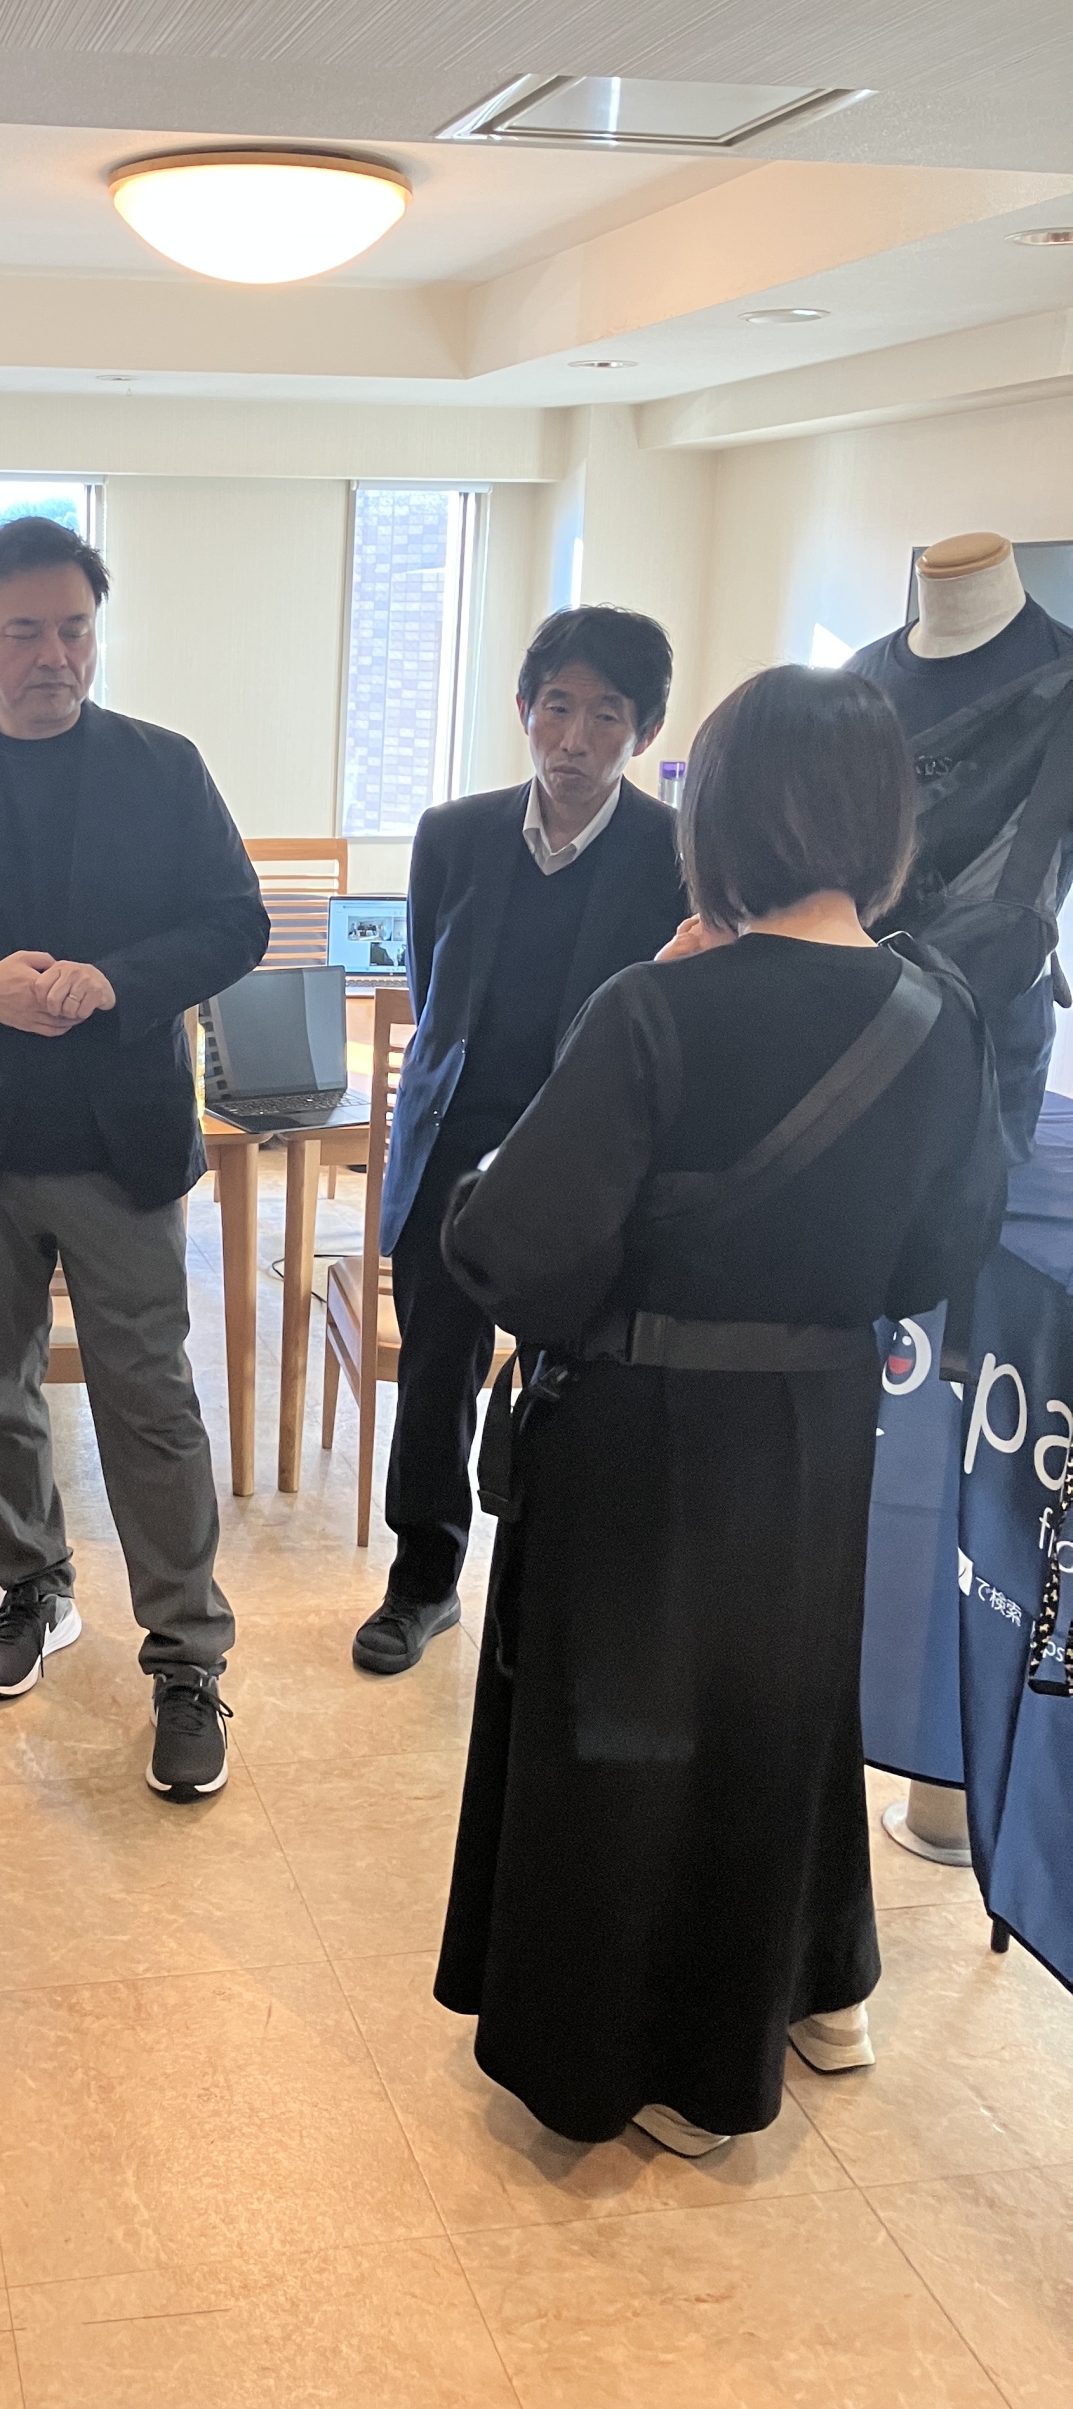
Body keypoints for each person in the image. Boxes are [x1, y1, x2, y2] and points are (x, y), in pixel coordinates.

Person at [432, 665, 1004, 2157]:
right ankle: (811, 1990)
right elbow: (939, 1256)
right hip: (821, 1425)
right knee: (781, 1714)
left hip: (642, 1429)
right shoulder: (939, 1014)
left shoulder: (656, 1006)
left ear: (724, 820)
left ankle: (660, 2064)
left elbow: (512, 1251)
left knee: (629, 1742)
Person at [0, 516, 268, 1802]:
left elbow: (235, 923)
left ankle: (187, 1656)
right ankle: (35, 1586)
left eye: (74, 628)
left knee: (150, 1403)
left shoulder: (163, 768)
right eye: (22, 631)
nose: (53, 655)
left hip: (121, 1145)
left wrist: (115, 981)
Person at [354, 606, 690, 1676]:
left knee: (575, 1387)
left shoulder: (673, 856)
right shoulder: (453, 835)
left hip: (589, 1163)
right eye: (557, 708)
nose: (574, 739)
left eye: (606, 716)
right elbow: (432, 992)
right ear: (523, 710)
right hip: (452, 1153)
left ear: (644, 730)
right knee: (434, 1377)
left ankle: (553, 1593)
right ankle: (422, 1582)